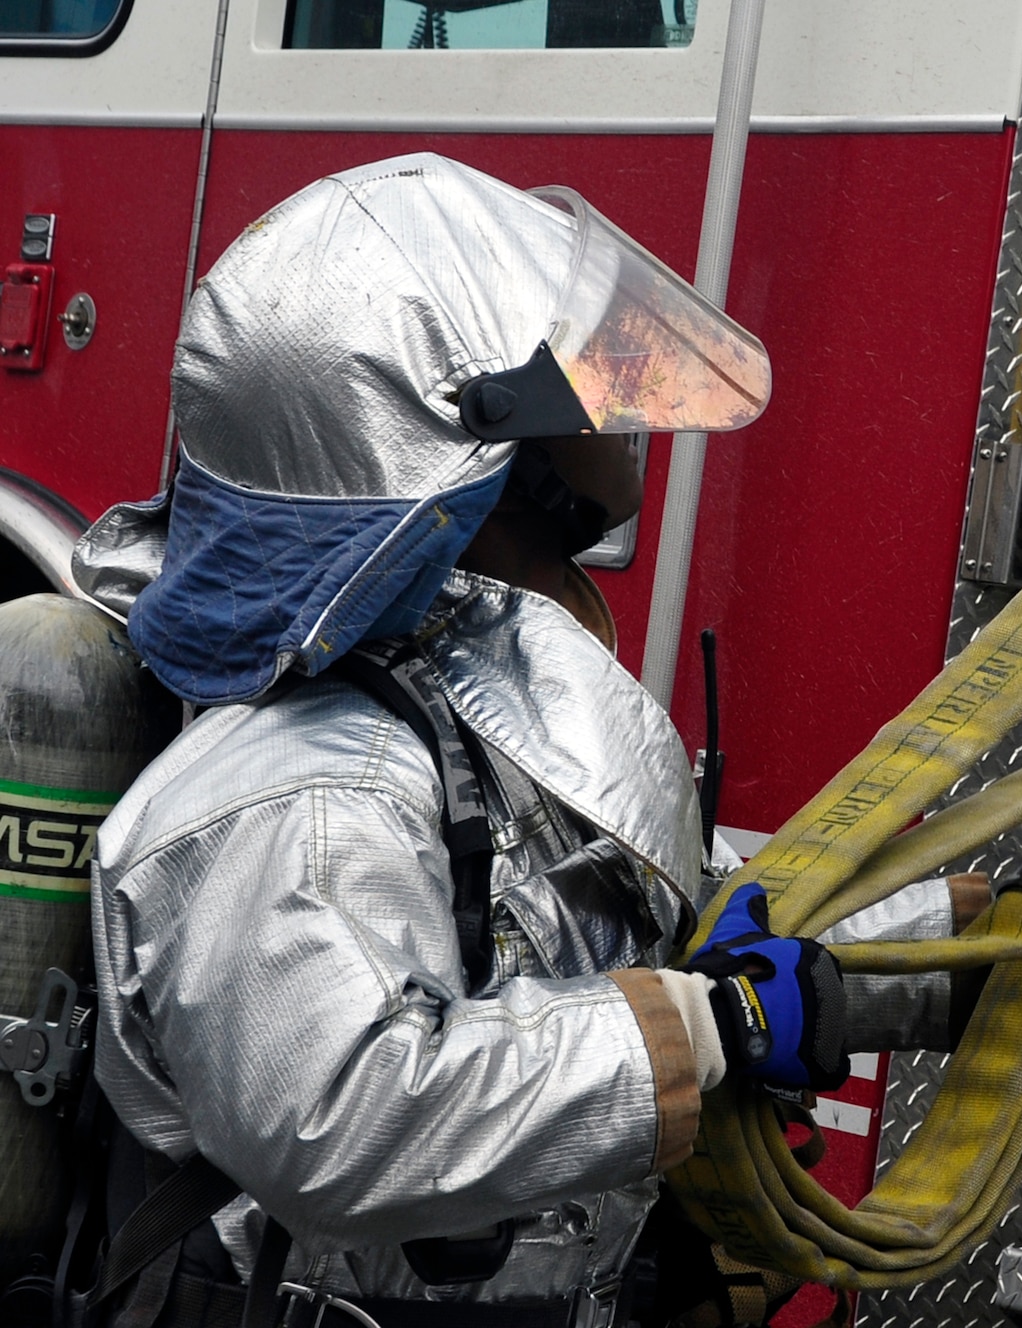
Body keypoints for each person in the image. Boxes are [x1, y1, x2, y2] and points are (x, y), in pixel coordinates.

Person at [66, 153, 971, 1328]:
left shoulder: (475, 728)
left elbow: (677, 938)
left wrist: (998, 932)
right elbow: (343, 1114)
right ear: (464, 468)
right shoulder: (303, 789)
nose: (611, 434)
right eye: (573, 403)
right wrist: (714, 1026)